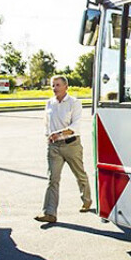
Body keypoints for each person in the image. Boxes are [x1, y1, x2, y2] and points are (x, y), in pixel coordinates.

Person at [34, 75, 92, 223]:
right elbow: (46, 123)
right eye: (53, 85)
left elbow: (76, 126)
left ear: (66, 87)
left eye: (58, 85)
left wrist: (59, 133)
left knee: (80, 174)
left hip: (71, 145)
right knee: (53, 179)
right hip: (54, 147)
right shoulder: (50, 103)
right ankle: (49, 213)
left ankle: (87, 200)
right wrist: (48, 135)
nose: (54, 88)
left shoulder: (74, 103)